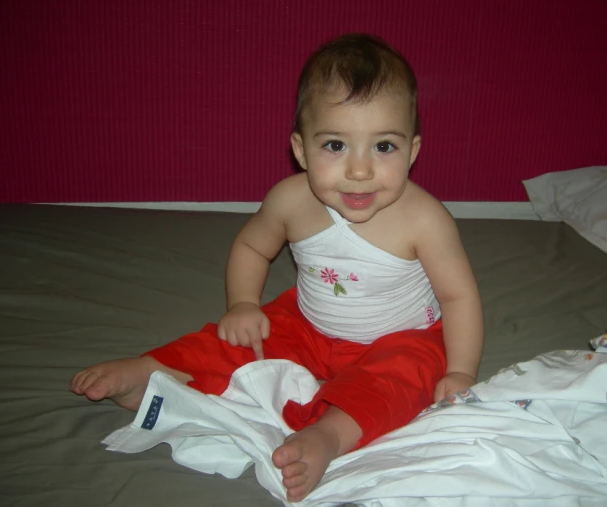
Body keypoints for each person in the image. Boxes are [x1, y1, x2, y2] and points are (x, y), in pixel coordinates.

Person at [70, 33, 484, 502]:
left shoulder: (426, 219)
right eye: (335, 145)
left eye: (383, 147)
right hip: (308, 324)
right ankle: (156, 371)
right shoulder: (289, 201)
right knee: (238, 337)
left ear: (411, 151)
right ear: (301, 150)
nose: (360, 171)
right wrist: (243, 304)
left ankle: (328, 434)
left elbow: (459, 296)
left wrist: (463, 371)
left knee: (403, 380)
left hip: (400, 336)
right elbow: (251, 245)